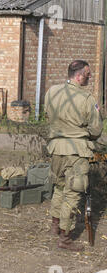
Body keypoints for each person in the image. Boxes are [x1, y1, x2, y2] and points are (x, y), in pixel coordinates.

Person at [45, 60, 103, 251]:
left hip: (55, 149)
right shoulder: (86, 99)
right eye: (88, 74)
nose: (90, 77)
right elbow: (96, 130)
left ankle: (55, 226)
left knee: (59, 187)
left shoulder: (52, 92)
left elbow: (48, 114)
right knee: (72, 194)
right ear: (79, 76)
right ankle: (65, 237)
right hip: (76, 152)